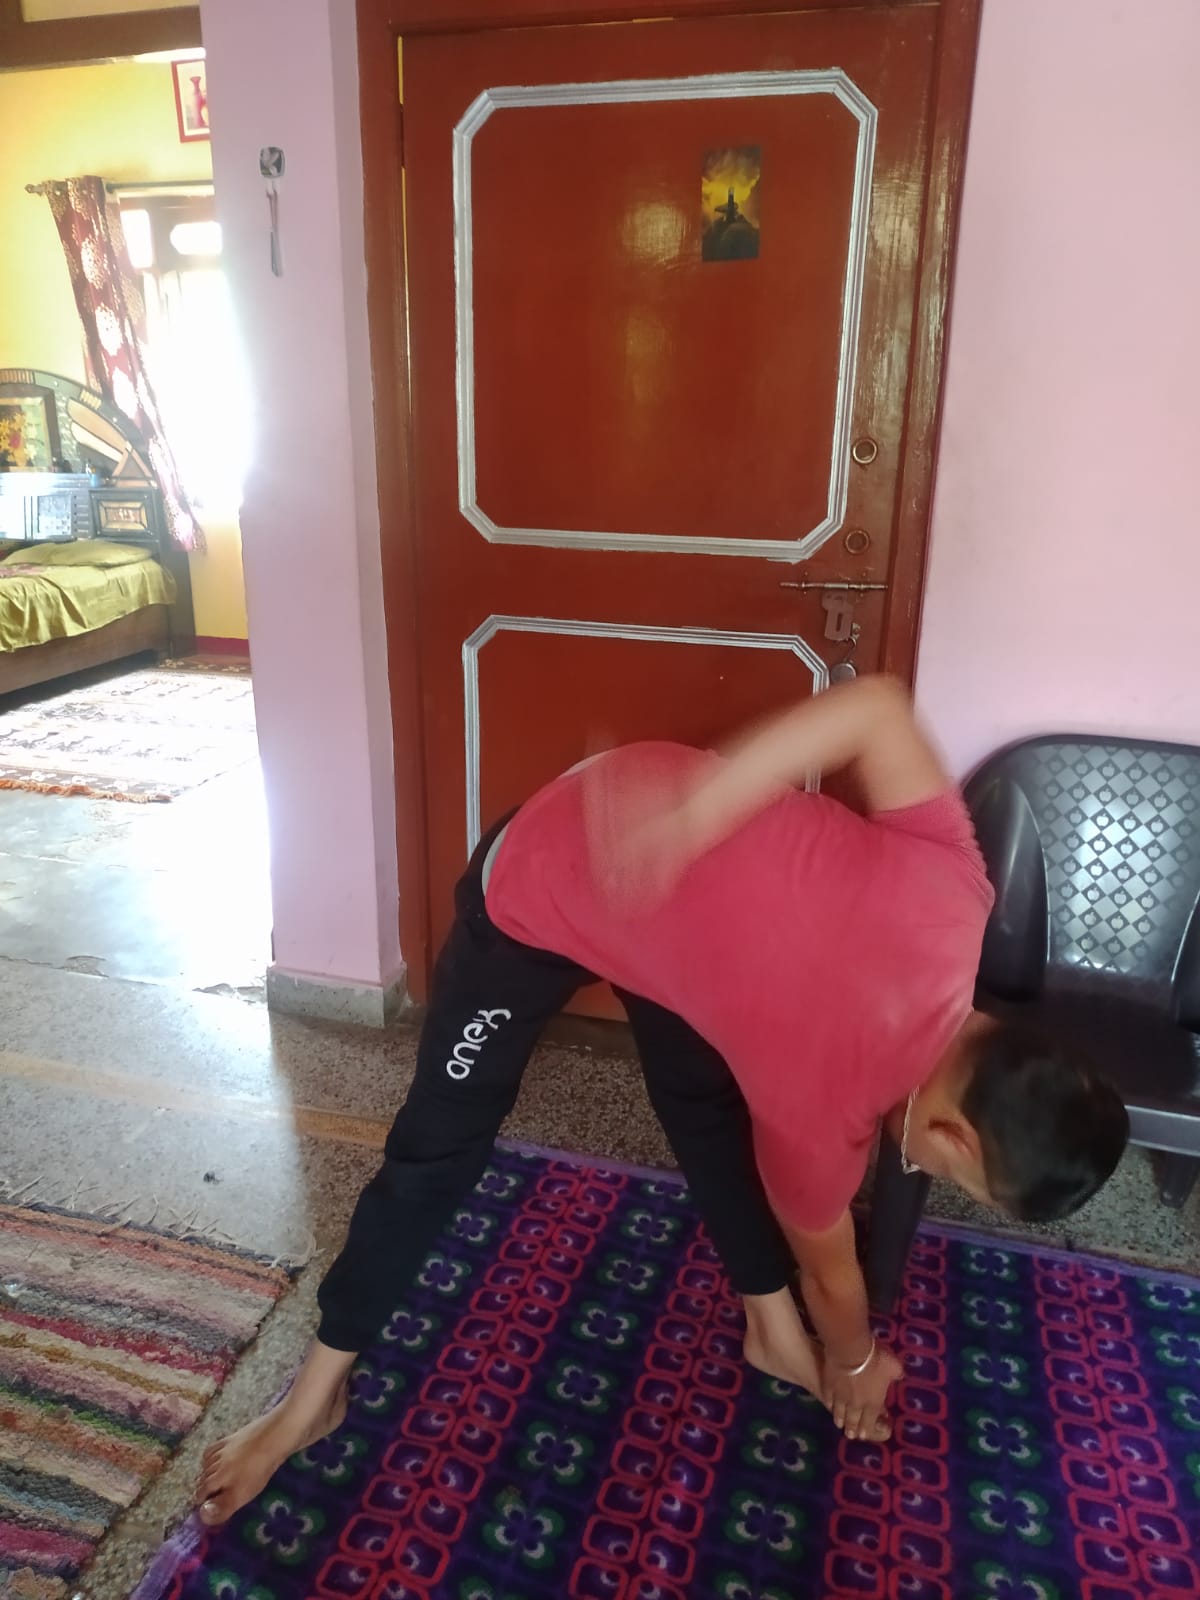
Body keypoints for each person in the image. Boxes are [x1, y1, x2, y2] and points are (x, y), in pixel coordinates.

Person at [196, 675, 1128, 1524]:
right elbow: (836, 1280)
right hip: (549, 874)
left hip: (661, 904)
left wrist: (695, 822)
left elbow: (880, 709)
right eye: (957, 1180)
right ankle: (314, 1397)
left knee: (705, 1098)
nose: (932, 1174)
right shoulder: (822, 1120)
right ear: (954, 1137)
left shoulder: (962, 889)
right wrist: (852, 1360)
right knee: (437, 1148)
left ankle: (770, 1333)